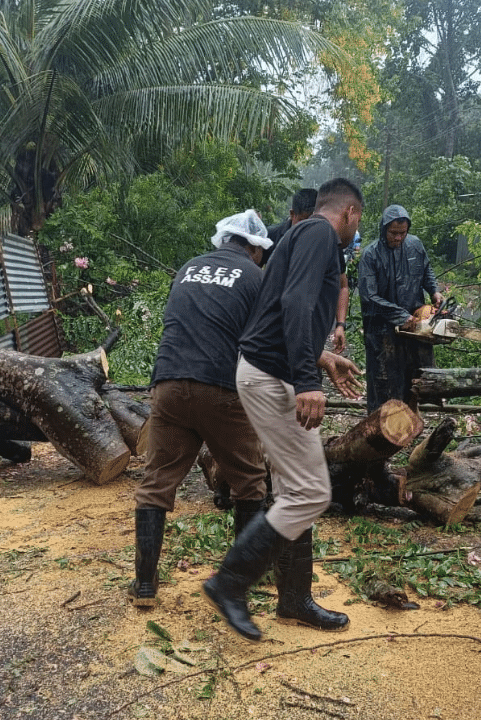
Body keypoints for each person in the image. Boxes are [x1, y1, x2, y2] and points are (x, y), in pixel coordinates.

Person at [203, 178, 365, 641]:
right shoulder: (318, 234)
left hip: (267, 370)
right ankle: (229, 584)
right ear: (349, 212)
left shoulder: (295, 235)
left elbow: (277, 311)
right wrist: (307, 382)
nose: (357, 230)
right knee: (310, 493)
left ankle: (294, 598)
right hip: (271, 376)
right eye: (359, 221)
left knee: (299, 489)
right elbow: (294, 303)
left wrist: (324, 357)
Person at [129, 210, 273, 608]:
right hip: (221, 389)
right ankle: (242, 578)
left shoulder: (188, 268)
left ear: (223, 240)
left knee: (157, 482)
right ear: (255, 249)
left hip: (169, 384)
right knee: (250, 482)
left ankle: (144, 583)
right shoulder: (256, 277)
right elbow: (261, 341)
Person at [358, 204, 443, 414]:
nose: (397, 238)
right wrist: (399, 316)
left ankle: (409, 424)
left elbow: (426, 271)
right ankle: (378, 431)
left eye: (402, 233)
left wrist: (434, 292)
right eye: (393, 233)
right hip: (382, 331)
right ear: (384, 229)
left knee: (414, 378)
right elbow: (370, 297)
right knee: (384, 382)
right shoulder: (371, 255)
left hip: (415, 327)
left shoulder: (415, 245)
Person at [268, 188, 351, 354]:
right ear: (292, 214)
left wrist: (340, 325)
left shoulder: (329, 242)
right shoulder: (272, 237)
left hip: (311, 327)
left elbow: (343, 286)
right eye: (303, 221)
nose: (309, 229)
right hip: (273, 325)